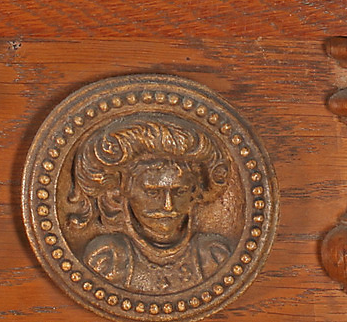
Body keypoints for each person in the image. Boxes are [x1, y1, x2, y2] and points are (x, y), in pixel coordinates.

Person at [65, 117, 233, 295]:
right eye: (153, 193)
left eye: (179, 192)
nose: (168, 206)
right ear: (122, 191)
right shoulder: (107, 260)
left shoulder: (213, 256)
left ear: (194, 192)